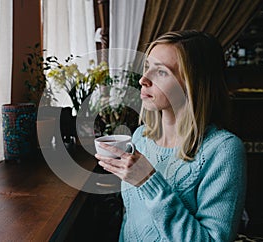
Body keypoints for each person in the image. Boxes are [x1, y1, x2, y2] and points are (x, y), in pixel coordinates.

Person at [95, 30, 246, 242]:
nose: (143, 80)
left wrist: (149, 182)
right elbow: (131, 222)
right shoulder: (140, 138)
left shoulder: (223, 150)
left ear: (193, 83)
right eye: (147, 68)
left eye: (162, 72)